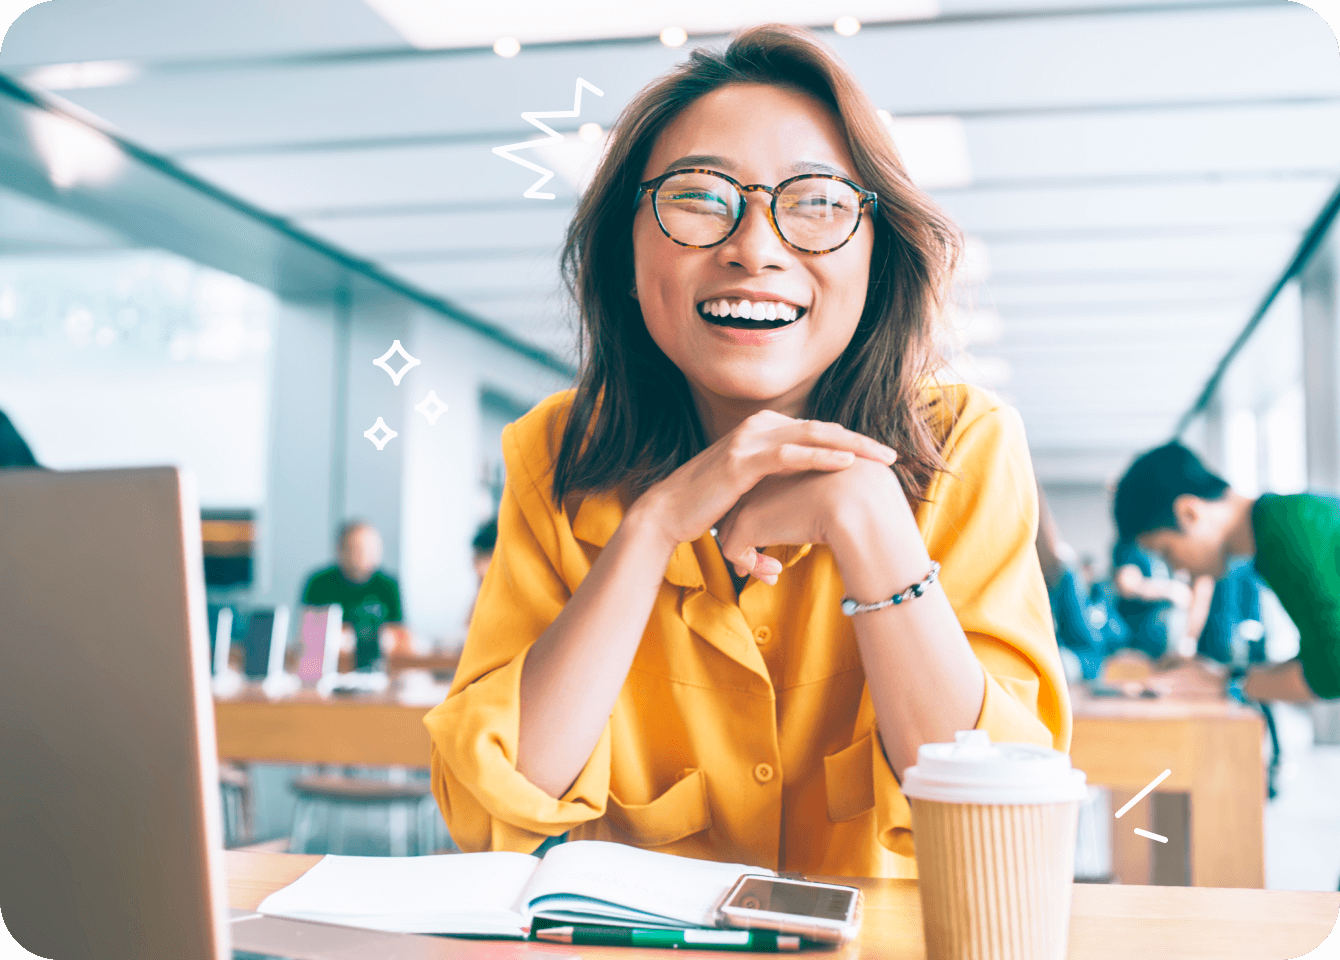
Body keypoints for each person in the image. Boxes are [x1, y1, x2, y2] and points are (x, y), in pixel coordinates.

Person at [425, 25, 1069, 879]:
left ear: (877, 255)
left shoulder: (963, 445)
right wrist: (649, 532)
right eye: (697, 196)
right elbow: (490, 806)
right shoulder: (557, 451)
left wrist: (871, 522)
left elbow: (1005, 823)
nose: (756, 247)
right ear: (627, 248)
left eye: (818, 203)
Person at [1114, 441, 1338, 703]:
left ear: (1189, 513)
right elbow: (1320, 658)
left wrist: (1227, 683)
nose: (1174, 568)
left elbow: (1333, 671)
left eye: (1165, 551)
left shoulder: (1289, 530)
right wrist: (1227, 679)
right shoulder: (1276, 529)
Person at [301, 520, 403, 670]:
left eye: (372, 548)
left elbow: (400, 632)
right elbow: (309, 637)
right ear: (340, 549)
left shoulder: (388, 584)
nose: (366, 555)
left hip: (380, 667)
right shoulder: (319, 583)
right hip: (330, 667)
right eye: (358, 549)